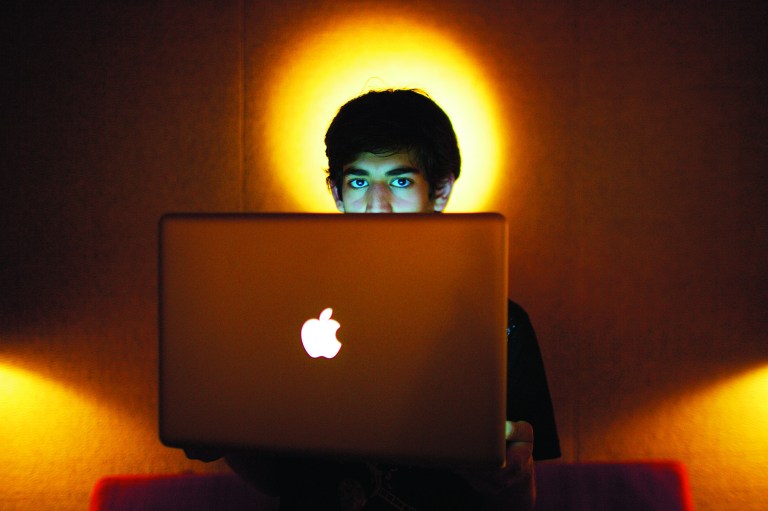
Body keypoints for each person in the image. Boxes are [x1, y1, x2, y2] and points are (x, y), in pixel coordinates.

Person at [187, 89, 560, 510]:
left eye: (400, 181)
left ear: (439, 191)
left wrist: (510, 477)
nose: (377, 206)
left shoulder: (501, 323)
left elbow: (522, 500)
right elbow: (280, 481)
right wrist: (223, 434)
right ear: (337, 193)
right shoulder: (298, 317)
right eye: (359, 181)